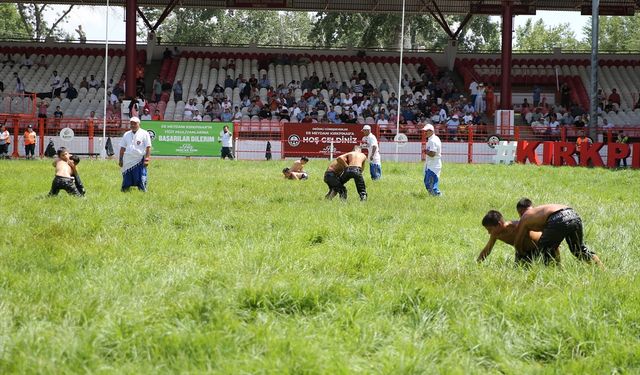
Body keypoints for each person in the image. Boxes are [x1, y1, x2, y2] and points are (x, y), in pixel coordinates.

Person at [514, 198, 604, 267]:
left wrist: (521, 253)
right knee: (578, 249)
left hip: (557, 218)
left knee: (545, 249)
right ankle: (602, 268)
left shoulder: (525, 217)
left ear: (520, 212)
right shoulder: (539, 211)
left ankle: (554, 271)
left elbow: (518, 241)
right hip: (573, 214)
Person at [477, 210, 559, 263]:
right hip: (523, 252)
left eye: (490, 229)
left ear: (499, 224)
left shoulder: (517, 226)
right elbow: (487, 249)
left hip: (541, 247)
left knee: (551, 266)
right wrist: (478, 263)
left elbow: (541, 230)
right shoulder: (496, 234)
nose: (489, 232)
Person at [118, 117, 152, 192]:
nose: (133, 125)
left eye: (135, 123)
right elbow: (122, 148)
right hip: (128, 160)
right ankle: (125, 189)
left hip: (139, 160)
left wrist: (147, 159)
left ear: (139, 124)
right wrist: (120, 159)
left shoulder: (144, 133)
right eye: (131, 124)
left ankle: (142, 190)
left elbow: (148, 147)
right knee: (127, 176)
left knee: (140, 176)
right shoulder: (126, 134)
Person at [422, 124, 442, 196]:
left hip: (433, 165)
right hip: (432, 164)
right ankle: (432, 196)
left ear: (431, 131)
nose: (425, 133)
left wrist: (425, 151)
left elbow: (433, 153)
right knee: (427, 182)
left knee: (431, 184)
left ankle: (437, 196)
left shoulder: (432, 141)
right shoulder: (434, 138)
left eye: (426, 131)